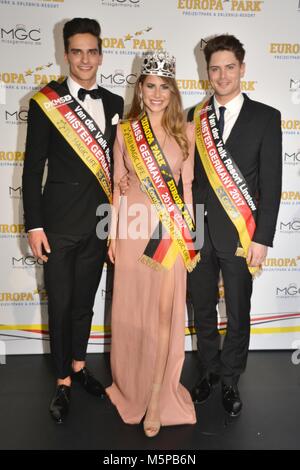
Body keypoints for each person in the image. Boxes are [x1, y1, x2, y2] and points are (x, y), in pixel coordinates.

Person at [22, 17, 124, 424]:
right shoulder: (45, 101)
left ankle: (80, 367)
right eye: (77, 51)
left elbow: (119, 167)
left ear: (100, 54)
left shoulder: (115, 103)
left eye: (92, 51)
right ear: (66, 55)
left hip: (99, 223)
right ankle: (62, 380)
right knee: (61, 305)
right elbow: (32, 170)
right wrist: (34, 225)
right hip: (58, 224)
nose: (85, 59)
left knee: (84, 304)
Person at [188, 34, 282, 417]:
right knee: (203, 307)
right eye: (215, 68)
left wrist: (263, 237)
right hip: (198, 231)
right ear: (206, 72)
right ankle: (209, 370)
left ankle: (230, 378)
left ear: (242, 69)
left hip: (242, 234)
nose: (222, 75)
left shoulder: (266, 117)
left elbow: (272, 184)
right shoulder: (193, 117)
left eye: (230, 67)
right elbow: (186, 180)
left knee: (239, 309)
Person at [106, 51, 199, 437]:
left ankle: (158, 397)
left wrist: (189, 239)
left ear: (172, 91)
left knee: (163, 317)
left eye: (164, 86)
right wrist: (111, 233)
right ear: (140, 89)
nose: (157, 93)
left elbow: (188, 188)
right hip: (131, 229)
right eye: (150, 86)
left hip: (169, 234)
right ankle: (135, 388)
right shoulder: (125, 131)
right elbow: (117, 184)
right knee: (133, 317)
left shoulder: (186, 132)